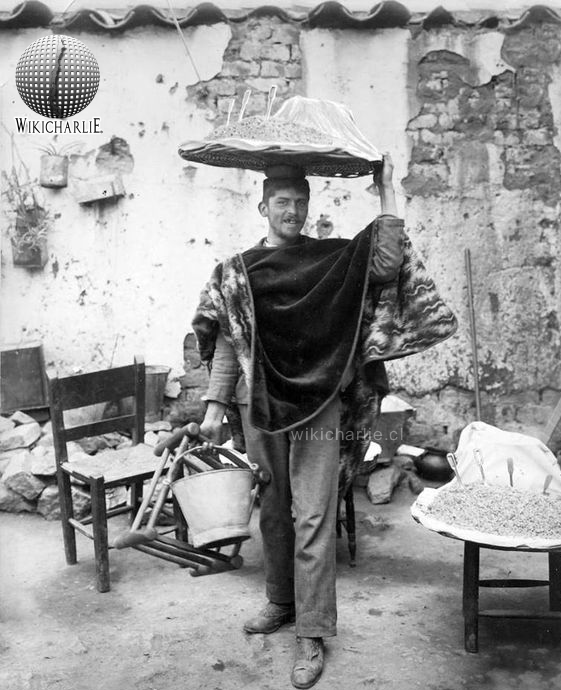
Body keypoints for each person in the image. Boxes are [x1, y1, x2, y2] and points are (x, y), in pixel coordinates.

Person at [191, 156, 456, 689]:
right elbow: (228, 341)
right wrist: (215, 407)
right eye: (282, 203)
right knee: (273, 511)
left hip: (319, 407)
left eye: (300, 202)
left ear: (309, 206)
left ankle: (311, 632)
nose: (292, 211)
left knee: (313, 514)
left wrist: (386, 190)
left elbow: (386, 264)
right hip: (261, 406)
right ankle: (280, 601)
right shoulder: (238, 271)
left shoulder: (331, 261)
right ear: (263, 207)